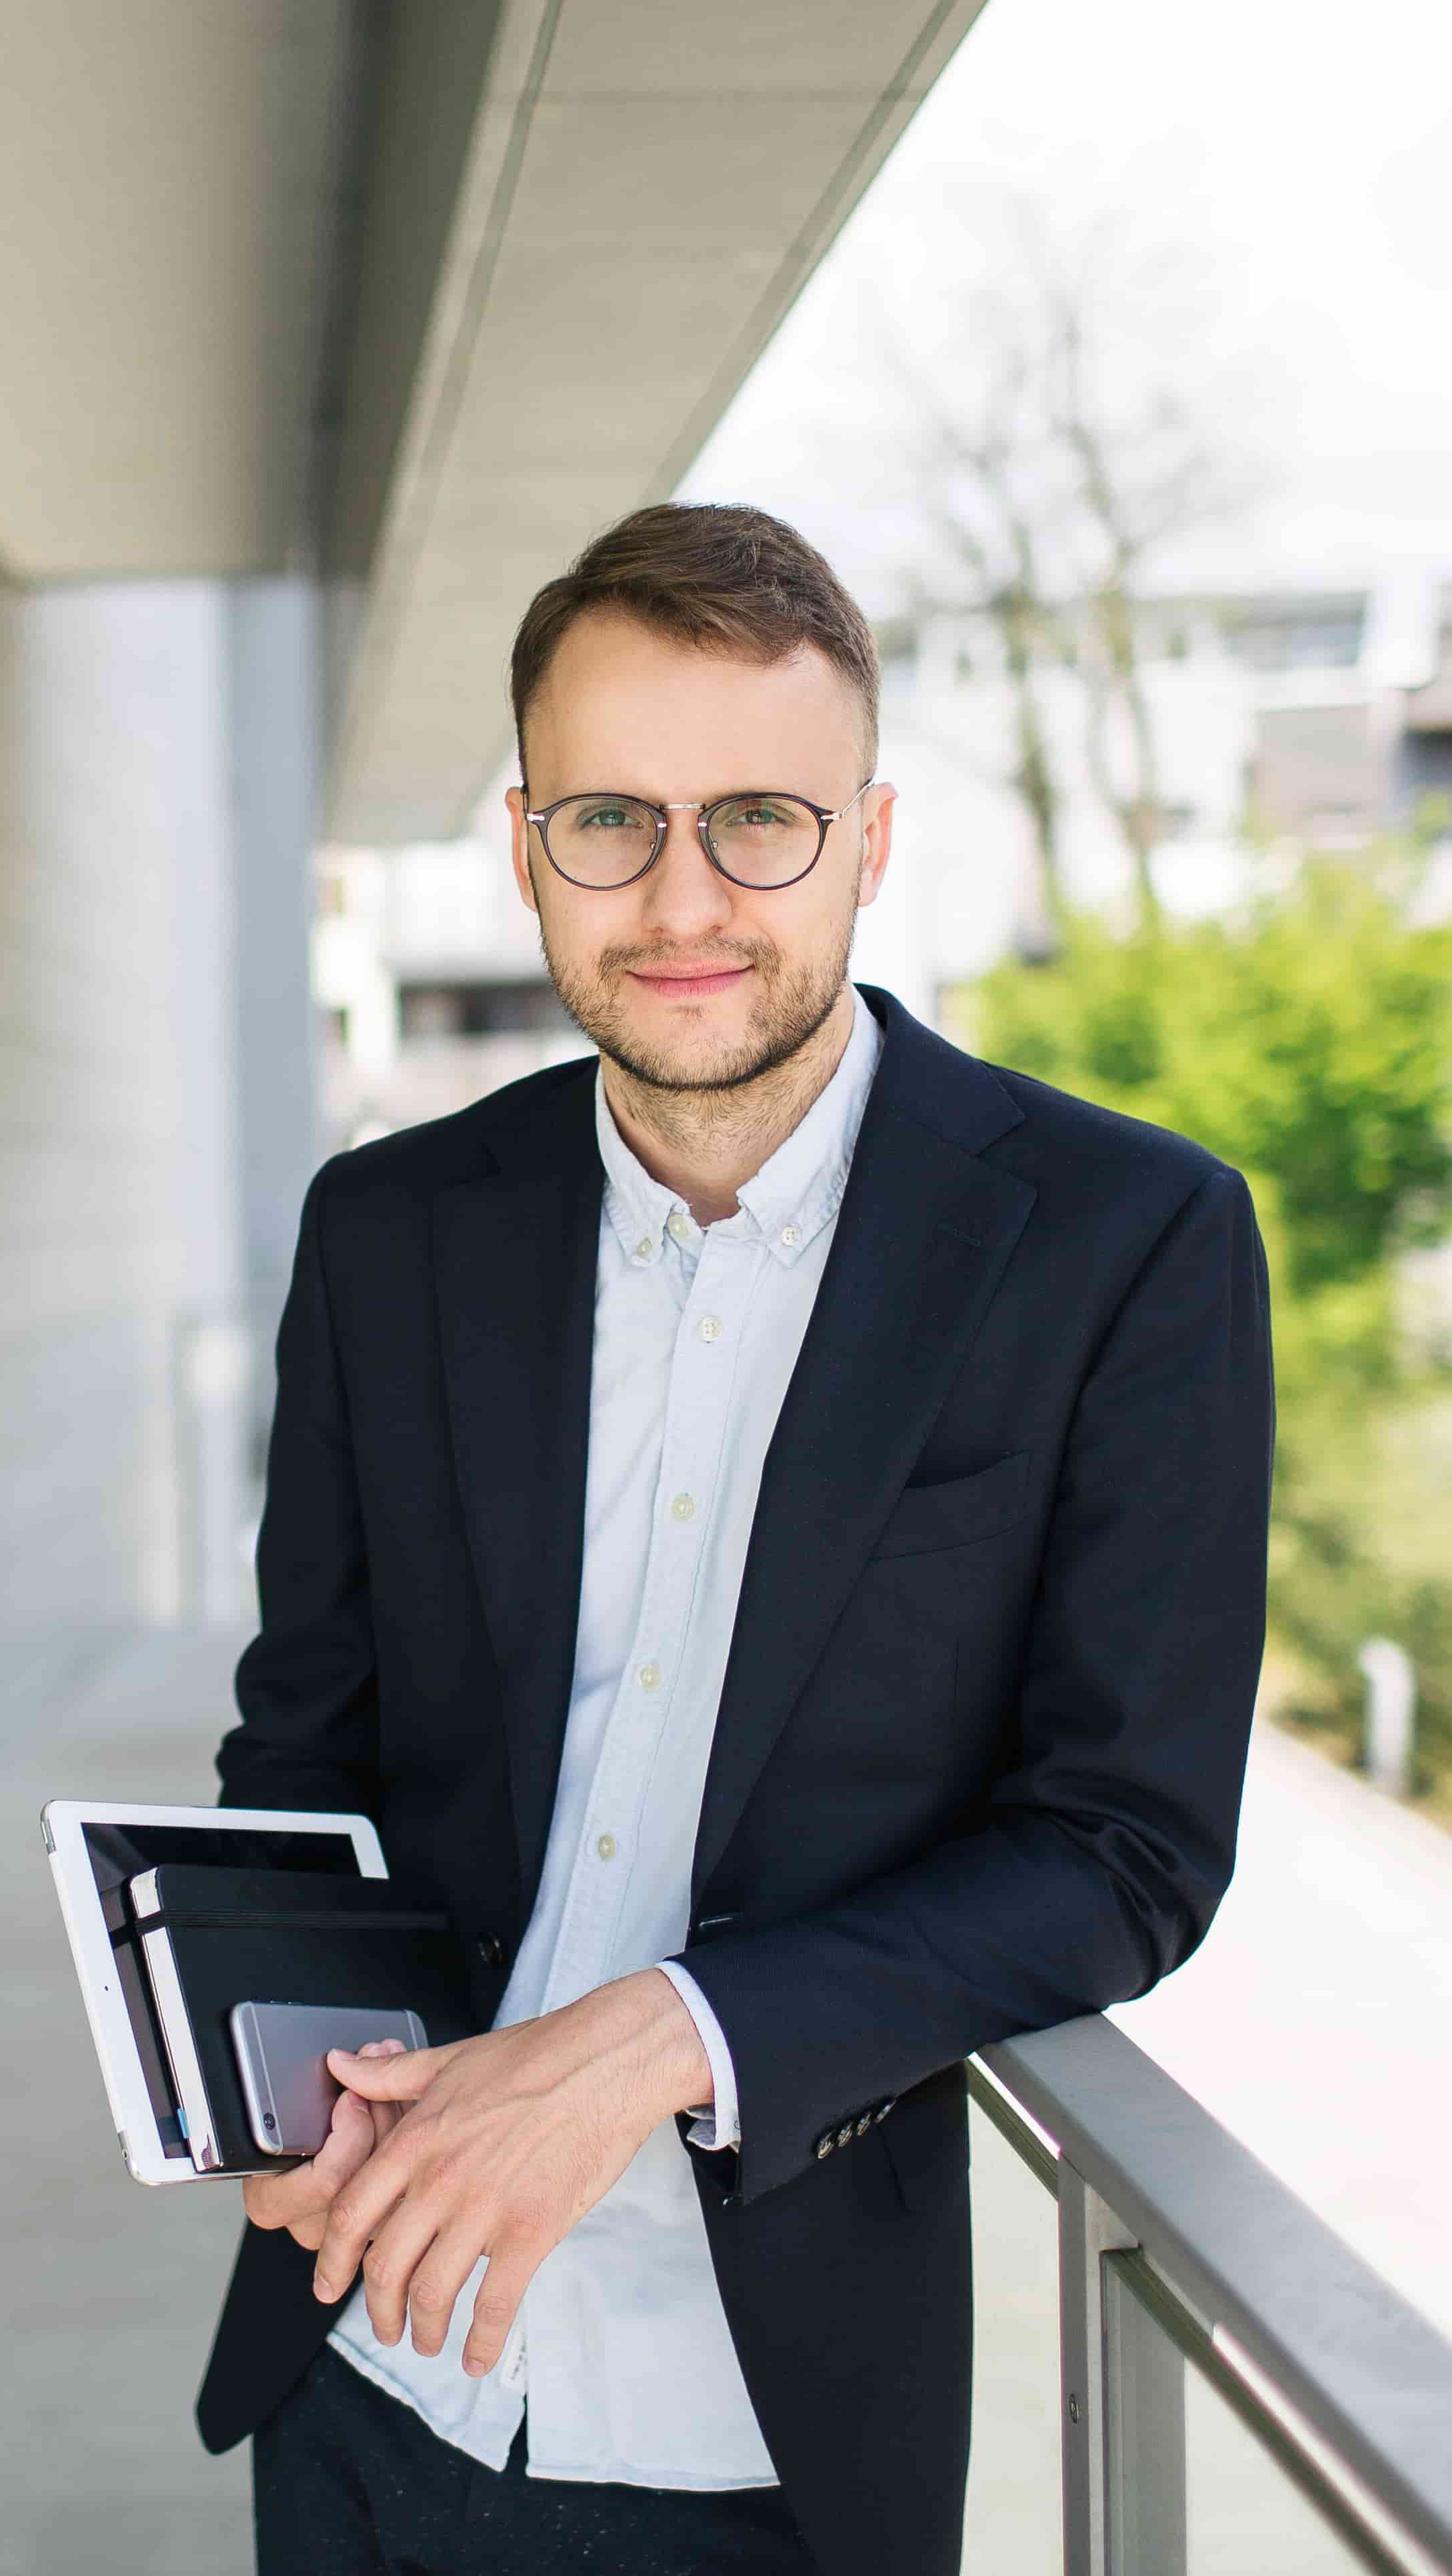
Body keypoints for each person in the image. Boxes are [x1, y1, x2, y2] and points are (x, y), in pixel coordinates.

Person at [197, 502, 1272, 2576]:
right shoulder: (390, 1230)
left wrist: (660, 2036)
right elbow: (304, 1748)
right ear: (526, 849)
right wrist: (275, 2070)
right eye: (612, 820)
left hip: (759, 2433)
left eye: (760, 820)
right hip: (365, 2371)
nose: (684, 896)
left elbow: (1128, 1846)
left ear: (872, 841)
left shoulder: (1126, 1243)